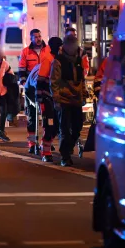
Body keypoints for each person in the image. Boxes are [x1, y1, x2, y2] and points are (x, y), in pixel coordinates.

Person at [51, 35, 88, 167]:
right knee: (65, 129)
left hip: (76, 99)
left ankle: (68, 148)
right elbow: (54, 82)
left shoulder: (78, 60)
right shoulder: (58, 61)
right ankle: (65, 156)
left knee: (78, 127)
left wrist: (84, 94)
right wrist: (56, 100)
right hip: (64, 100)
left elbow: (82, 80)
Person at [24, 37, 63, 161]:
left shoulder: (57, 61)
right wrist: (39, 100)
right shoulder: (48, 61)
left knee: (55, 123)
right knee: (39, 120)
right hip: (34, 91)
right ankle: (40, 149)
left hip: (48, 94)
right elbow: (39, 82)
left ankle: (43, 145)